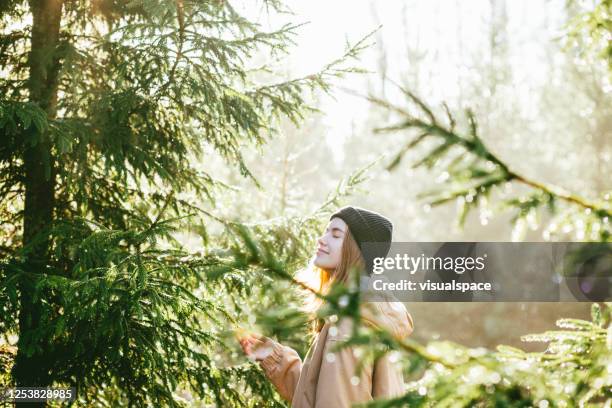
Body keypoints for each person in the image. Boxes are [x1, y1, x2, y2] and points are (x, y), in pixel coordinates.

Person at [238, 206, 414, 407]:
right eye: (326, 231)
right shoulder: (367, 314)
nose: (321, 239)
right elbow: (324, 395)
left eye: (336, 235)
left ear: (356, 251)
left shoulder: (348, 324)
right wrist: (279, 362)